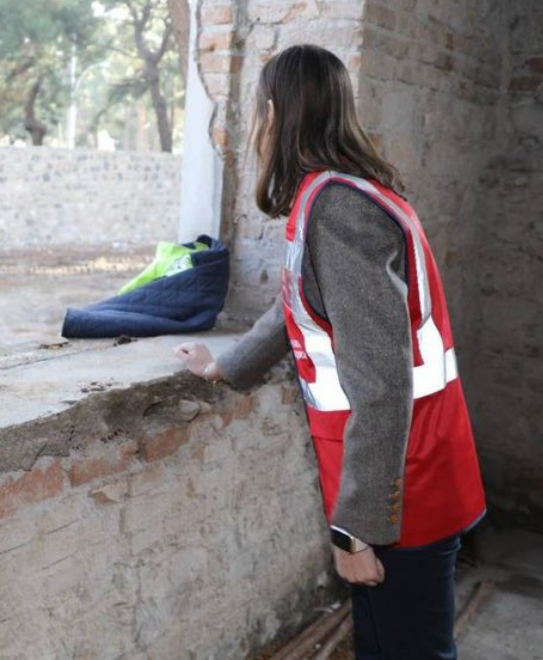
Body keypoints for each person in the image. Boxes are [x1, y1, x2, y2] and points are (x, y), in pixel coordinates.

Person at [174, 45, 485, 660]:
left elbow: (382, 383)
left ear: (273, 114)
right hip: (406, 474)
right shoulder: (342, 193)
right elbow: (299, 303)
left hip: (401, 492)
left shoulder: (337, 209)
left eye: (258, 114)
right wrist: (229, 364)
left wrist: (357, 530)